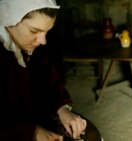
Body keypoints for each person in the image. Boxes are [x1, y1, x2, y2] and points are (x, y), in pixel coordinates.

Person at [0, 0, 87, 141]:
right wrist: (31, 132)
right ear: (9, 19)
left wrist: (62, 108)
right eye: (34, 31)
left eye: (46, 32)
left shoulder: (29, 47)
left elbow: (46, 77)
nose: (43, 41)